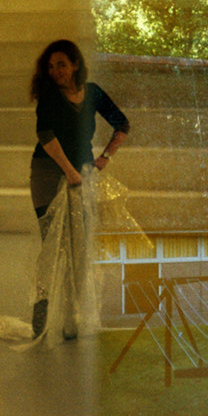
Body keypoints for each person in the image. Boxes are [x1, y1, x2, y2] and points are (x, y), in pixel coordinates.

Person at [29, 39, 130, 339]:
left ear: (75, 64)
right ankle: (42, 313)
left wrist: (105, 157)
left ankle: (71, 318)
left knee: (78, 247)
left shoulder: (93, 92)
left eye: (61, 64)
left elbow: (122, 124)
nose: (56, 71)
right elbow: (45, 134)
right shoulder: (50, 96)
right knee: (53, 245)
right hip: (48, 173)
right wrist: (69, 171)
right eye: (51, 67)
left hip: (82, 176)